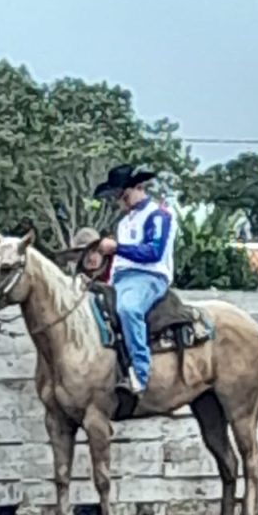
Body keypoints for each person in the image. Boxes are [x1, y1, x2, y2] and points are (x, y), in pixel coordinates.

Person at [93, 163, 176, 399]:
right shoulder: (124, 222)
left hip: (149, 276)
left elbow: (153, 252)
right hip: (120, 279)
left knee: (128, 309)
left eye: (123, 195)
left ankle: (140, 372)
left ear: (138, 188)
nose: (119, 201)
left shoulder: (158, 216)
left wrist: (117, 248)